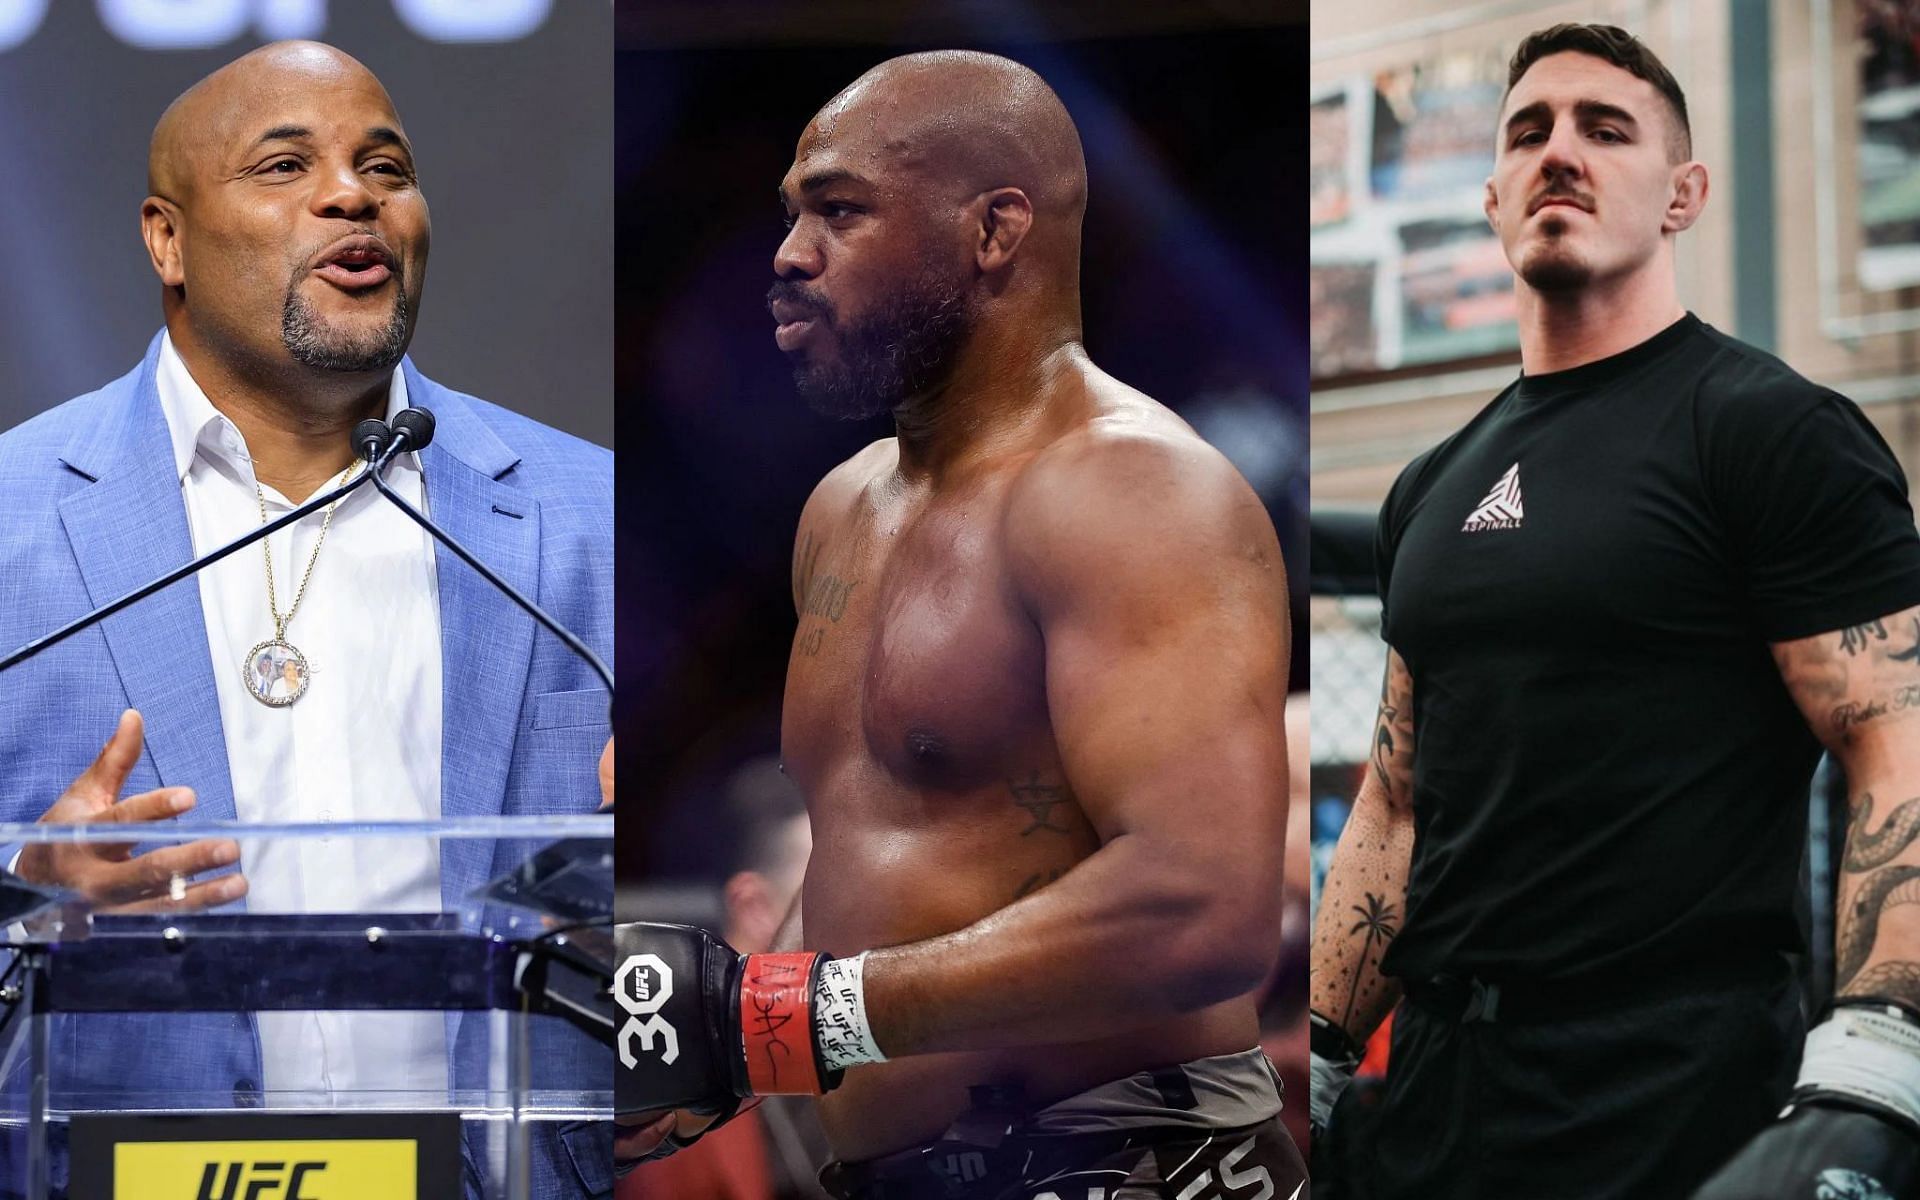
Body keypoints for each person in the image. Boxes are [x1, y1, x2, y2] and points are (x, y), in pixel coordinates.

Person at [618, 50, 1301, 1200]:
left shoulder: (1131, 491)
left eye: (839, 211)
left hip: (1127, 1164)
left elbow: (1206, 908)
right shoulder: (846, 509)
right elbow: (874, 853)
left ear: (995, 232)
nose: (787, 256)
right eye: (791, 216)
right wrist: (723, 1041)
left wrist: (804, 1012)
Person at [1308, 23, 1920, 1200]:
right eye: (1529, 131)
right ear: (1491, 198)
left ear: (1683, 194)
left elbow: (1895, 747)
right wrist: (1324, 1049)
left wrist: (1879, 1041)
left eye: (1606, 128)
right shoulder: (1429, 485)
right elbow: (1394, 796)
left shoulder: (1768, 431)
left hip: (1668, 1094)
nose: (1560, 153)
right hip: (1438, 1093)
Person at [0, 42, 612, 1198]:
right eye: (285, 165)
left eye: (384, 165)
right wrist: (22, 900)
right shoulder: (10, 522)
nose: (352, 194)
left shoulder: (591, 522)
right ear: (165, 240)